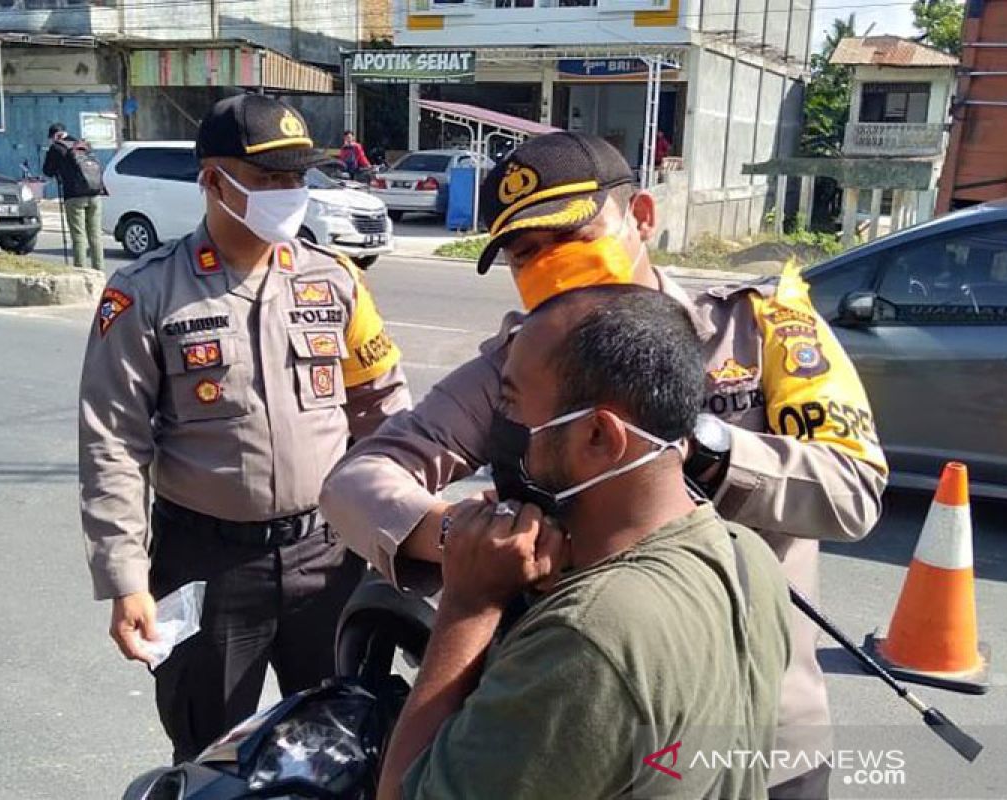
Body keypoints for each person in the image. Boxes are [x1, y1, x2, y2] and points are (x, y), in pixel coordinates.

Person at [320, 131, 888, 798]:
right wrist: (467, 542)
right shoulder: (521, 362)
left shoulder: (755, 330)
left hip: (761, 723)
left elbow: (854, 491)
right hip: (584, 716)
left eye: (568, 235)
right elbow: (359, 479)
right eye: (525, 253)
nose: (548, 264)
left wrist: (703, 449)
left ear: (640, 216)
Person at [78, 93, 411, 763]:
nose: (288, 194)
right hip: (207, 566)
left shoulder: (336, 280)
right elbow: (111, 442)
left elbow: (383, 407)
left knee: (341, 746)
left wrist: (401, 526)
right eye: (267, 180)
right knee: (207, 751)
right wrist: (126, 579)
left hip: (328, 557)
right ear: (213, 181)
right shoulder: (146, 291)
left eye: (296, 179)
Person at [378, 288, 792, 800]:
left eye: (510, 403)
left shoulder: (588, 637)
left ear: (598, 436)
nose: (499, 428)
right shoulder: (748, 556)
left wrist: (468, 606)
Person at [42, 122, 105, 271]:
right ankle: (99, 270)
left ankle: (80, 270)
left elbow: (47, 171)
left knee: (78, 236)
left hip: (75, 196)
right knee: (95, 235)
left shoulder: (57, 148)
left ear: (56, 136)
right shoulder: (82, 145)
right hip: (95, 194)